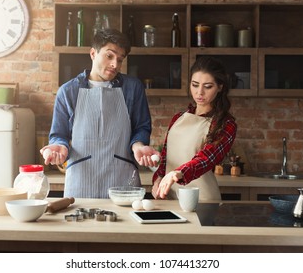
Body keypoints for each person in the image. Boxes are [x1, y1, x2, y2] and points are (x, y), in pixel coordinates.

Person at [41, 29, 159, 198]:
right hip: (81, 180)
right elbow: (59, 134)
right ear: (93, 53)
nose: (115, 65)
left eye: (120, 60)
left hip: (122, 179)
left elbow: (141, 127)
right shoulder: (68, 91)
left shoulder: (133, 88)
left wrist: (138, 145)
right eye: (109, 56)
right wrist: (59, 146)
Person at [152, 56, 237, 200]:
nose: (199, 92)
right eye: (195, 84)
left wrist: (177, 173)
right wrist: (158, 178)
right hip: (171, 198)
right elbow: (166, 157)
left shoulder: (225, 124)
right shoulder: (178, 118)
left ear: (220, 87)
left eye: (208, 86)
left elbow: (206, 160)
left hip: (202, 201)